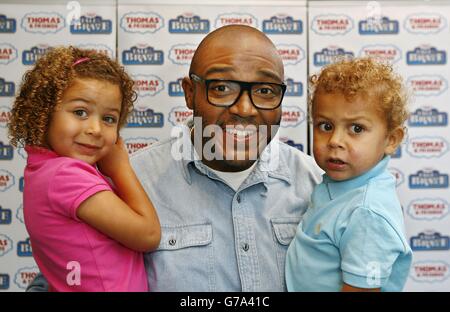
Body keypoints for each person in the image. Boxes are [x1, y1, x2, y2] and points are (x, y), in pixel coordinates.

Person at [26, 25, 322, 292]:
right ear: (190, 93)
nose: (244, 109)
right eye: (221, 88)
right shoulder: (128, 181)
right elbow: (61, 277)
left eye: (265, 90)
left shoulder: (317, 183)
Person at [8, 46, 161, 291]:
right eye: (80, 112)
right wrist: (121, 168)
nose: (96, 129)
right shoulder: (66, 176)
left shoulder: (42, 169)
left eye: (109, 118)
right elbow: (148, 236)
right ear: (44, 114)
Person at [285, 57, 412, 292]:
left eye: (356, 129)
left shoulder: (367, 213)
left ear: (391, 140)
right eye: (325, 126)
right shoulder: (341, 185)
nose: (335, 141)